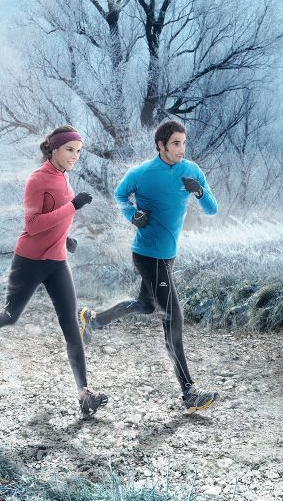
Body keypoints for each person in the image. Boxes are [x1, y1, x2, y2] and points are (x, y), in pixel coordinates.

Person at [78, 119, 219, 414]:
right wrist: (132, 214)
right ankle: (189, 392)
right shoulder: (141, 173)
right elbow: (119, 195)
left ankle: (94, 319)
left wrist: (200, 192)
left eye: (184, 143)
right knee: (173, 318)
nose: (182, 149)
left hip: (168, 255)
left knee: (145, 305)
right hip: (146, 254)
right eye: (176, 144)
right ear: (161, 146)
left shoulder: (191, 171)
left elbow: (212, 209)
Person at [0, 126, 108, 418]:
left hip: (57, 263)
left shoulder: (64, 177)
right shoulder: (37, 179)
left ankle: (84, 394)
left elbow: (57, 217)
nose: (75, 156)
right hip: (30, 261)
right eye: (70, 150)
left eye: (78, 151)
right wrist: (73, 206)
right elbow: (33, 224)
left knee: (71, 326)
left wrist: (65, 237)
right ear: (54, 149)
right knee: (11, 315)